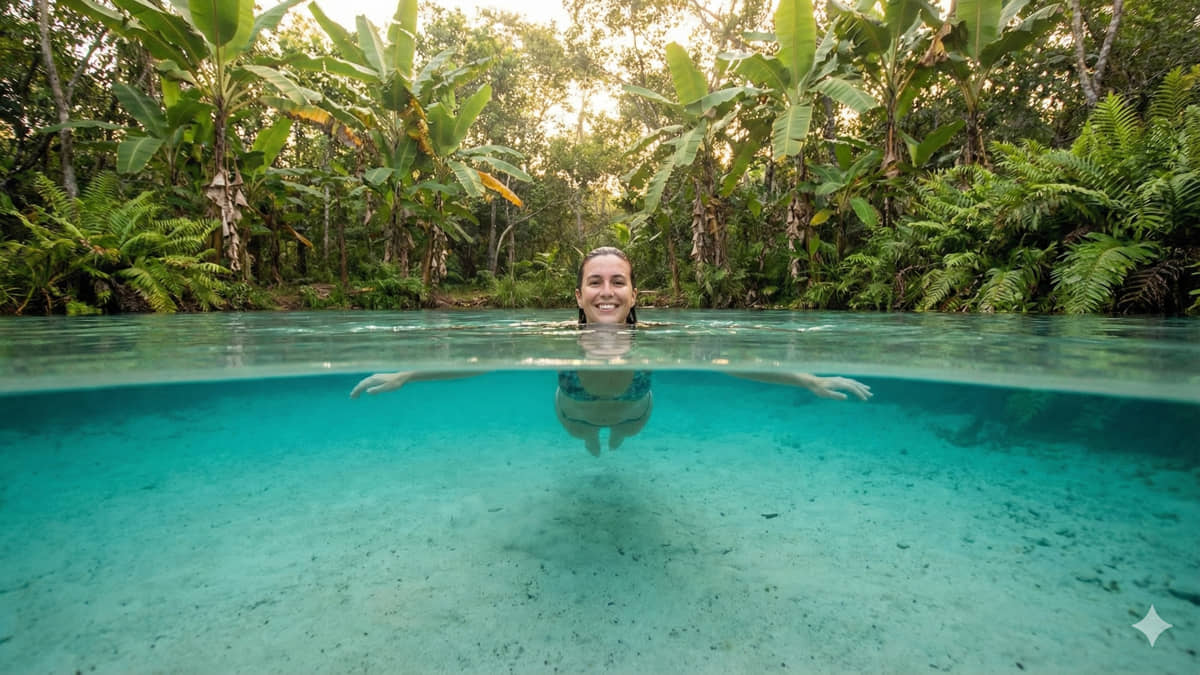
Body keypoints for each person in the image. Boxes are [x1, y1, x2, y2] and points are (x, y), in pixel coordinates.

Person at [351, 246, 872, 455]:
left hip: (634, 417)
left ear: (634, 295)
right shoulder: (553, 338)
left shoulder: (657, 339)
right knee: (587, 435)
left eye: (618, 281)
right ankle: (591, 440)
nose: (606, 291)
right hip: (573, 417)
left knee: (619, 434)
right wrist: (406, 375)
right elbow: (476, 363)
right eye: (595, 282)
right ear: (578, 296)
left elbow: (735, 366)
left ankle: (612, 437)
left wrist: (807, 379)